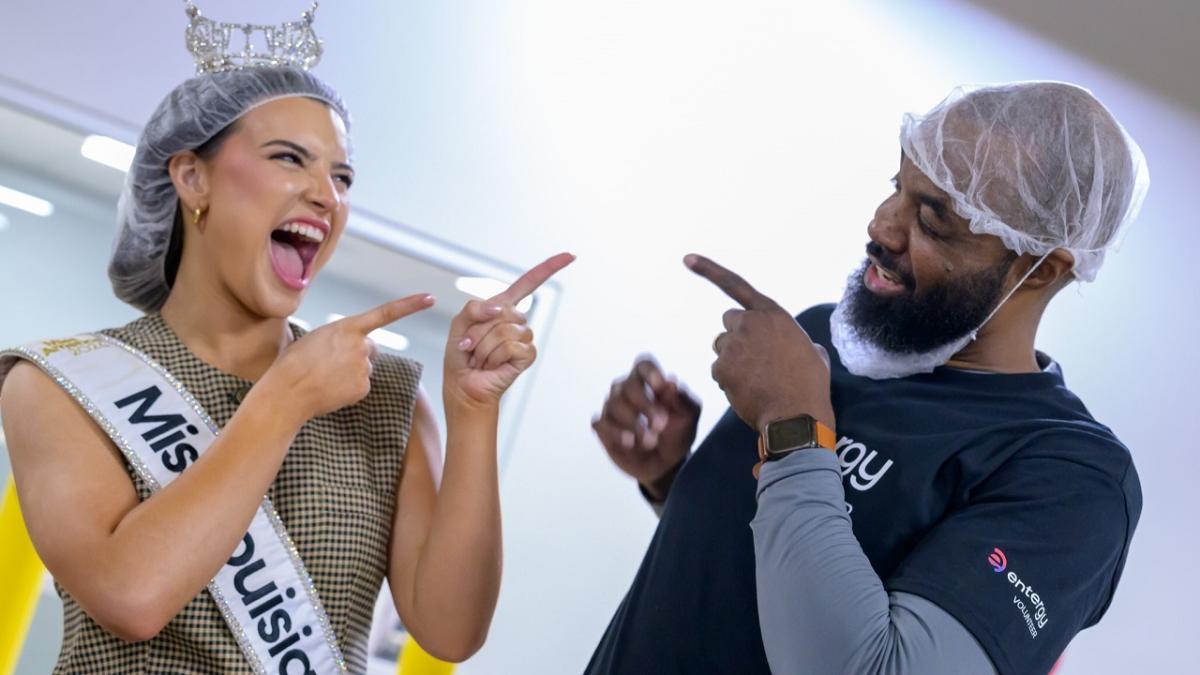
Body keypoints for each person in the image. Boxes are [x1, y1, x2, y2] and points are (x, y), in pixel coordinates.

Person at [0, 4, 571, 673]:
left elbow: (450, 632)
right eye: (289, 158)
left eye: (342, 176)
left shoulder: (383, 395)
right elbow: (131, 594)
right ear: (191, 177)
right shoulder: (60, 385)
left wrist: (473, 413)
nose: (327, 195)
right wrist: (286, 397)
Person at [587, 81, 1147, 674]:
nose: (882, 227)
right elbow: (766, 576)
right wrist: (672, 477)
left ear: (1040, 270)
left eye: (933, 220)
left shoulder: (1069, 475)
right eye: (897, 189)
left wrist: (794, 425)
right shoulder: (821, 341)